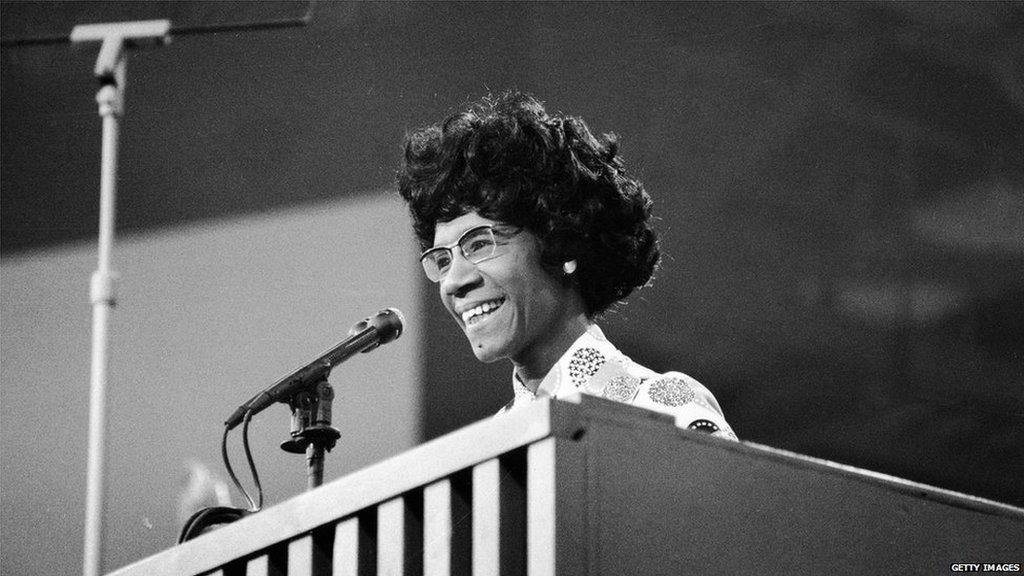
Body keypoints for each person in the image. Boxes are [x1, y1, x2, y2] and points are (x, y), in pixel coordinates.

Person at [397, 91, 736, 440]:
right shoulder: (483, 453)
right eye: (442, 259)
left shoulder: (662, 408)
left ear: (563, 244)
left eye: (479, 244)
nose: (454, 281)